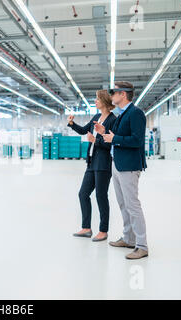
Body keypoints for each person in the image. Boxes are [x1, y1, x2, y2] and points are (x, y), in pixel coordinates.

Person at [94, 81, 148, 260]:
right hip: (117, 164)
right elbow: (116, 137)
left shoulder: (136, 113)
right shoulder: (122, 114)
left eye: (113, 92)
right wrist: (104, 132)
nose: (111, 95)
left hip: (129, 166)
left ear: (123, 94)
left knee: (132, 205)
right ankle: (128, 238)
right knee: (123, 204)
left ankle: (142, 245)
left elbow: (137, 140)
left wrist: (115, 138)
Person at [68, 90, 117, 242]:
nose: (95, 101)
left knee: (101, 196)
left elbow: (111, 144)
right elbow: (84, 130)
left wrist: (96, 141)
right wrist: (71, 124)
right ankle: (86, 228)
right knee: (83, 194)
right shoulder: (96, 117)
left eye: (97, 99)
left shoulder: (112, 120)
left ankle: (103, 230)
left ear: (104, 101)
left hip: (103, 163)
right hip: (91, 161)